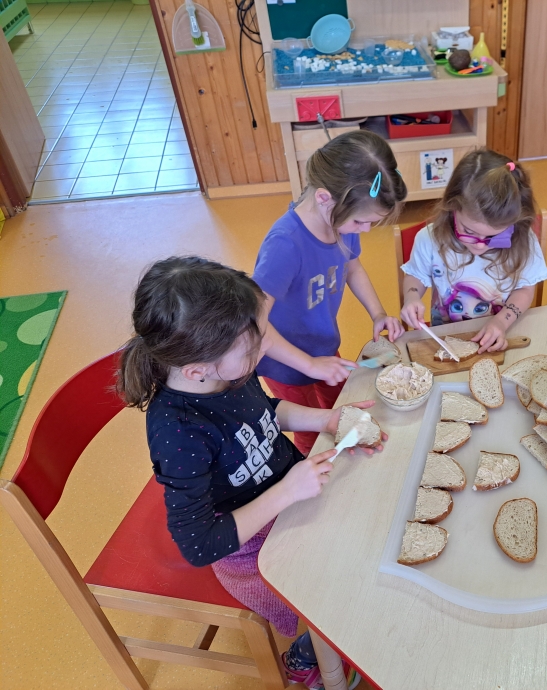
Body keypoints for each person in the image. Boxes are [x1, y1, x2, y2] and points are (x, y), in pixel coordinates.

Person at [117, 256, 373, 689]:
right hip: (250, 545)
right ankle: (305, 656)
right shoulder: (178, 432)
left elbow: (262, 413)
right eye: (253, 345)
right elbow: (198, 545)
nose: (265, 348)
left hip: (290, 499)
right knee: (336, 579)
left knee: (362, 534)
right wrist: (287, 492)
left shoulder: (227, 372)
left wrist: (326, 419)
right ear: (197, 369)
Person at [254, 130, 408, 455]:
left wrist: (378, 313)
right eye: (362, 222)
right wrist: (309, 365)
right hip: (285, 363)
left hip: (323, 348)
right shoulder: (285, 244)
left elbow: (352, 266)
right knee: (312, 436)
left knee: (343, 409)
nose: (365, 230)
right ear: (324, 198)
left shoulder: (339, 221)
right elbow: (254, 324)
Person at [399, 149, 547, 351]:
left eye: (494, 236)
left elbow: (524, 289)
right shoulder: (430, 239)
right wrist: (411, 297)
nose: (480, 245)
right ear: (452, 208)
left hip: (504, 330)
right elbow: (416, 276)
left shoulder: (523, 240)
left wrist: (501, 322)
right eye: (469, 231)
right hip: (445, 338)